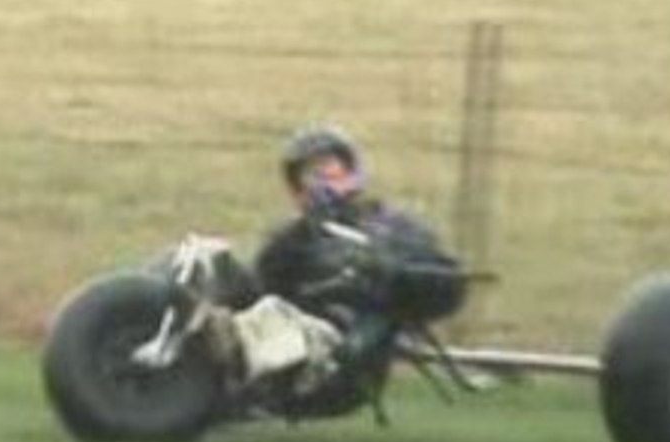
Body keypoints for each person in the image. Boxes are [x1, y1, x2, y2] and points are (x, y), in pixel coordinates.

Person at [146, 125, 467, 421]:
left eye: (329, 169)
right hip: (279, 324)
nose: (320, 181)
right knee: (204, 255)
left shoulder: (393, 226)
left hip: (340, 356)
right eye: (309, 175)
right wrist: (301, 234)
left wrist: (391, 272)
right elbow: (264, 278)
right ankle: (144, 324)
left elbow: (446, 282)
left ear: (351, 172)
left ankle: (223, 350)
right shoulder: (297, 236)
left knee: (274, 317)